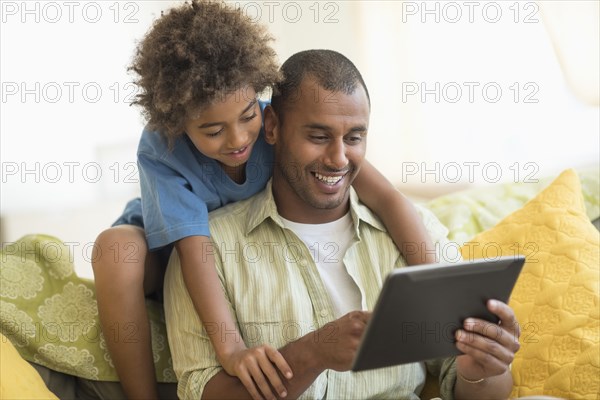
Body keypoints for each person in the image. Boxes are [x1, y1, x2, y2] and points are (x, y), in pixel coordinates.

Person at [91, 1, 438, 399]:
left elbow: (388, 197)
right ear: (177, 123)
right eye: (213, 130)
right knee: (115, 252)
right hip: (176, 243)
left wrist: (435, 292)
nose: (238, 140)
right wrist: (232, 349)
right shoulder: (162, 147)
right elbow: (195, 250)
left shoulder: (281, 126)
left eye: (246, 116)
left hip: (232, 237)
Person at [163, 49, 522, 399]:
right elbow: (204, 392)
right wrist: (312, 354)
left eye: (354, 138)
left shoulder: (413, 231)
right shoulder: (208, 251)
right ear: (271, 126)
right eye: (318, 137)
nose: (338, 159)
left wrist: (484, 371)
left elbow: (474, 386)